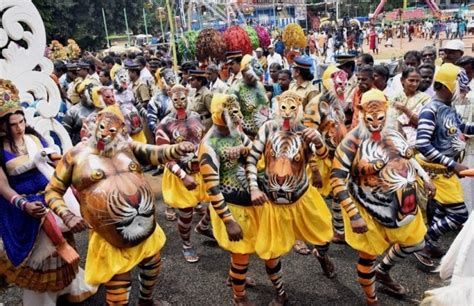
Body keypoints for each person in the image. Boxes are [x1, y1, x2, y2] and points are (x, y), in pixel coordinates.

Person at [46, 104, 194, 306]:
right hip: (110, 232)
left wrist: (176, 149)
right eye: (102, 128)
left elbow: (156, 152)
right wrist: (66, 214)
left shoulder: (126, 146)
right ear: (93, 125)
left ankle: (146, 301)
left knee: (152, 266)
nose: (106, 135)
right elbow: (52, 191)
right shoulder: (74, 156)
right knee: (118, 285)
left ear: (121, 130)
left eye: (112, 131)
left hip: (145, 223)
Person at [331, 88, 436, 305]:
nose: (376, 123)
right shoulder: (351, 142)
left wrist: (425, 177)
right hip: (369, 209)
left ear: (387, 111)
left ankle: (384, 270)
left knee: (415, 243)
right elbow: (336, 180)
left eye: (380, 117)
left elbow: (408, 157)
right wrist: (352, 215)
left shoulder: (395, 132)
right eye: (370, 118)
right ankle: (372, 300)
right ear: (360, 113)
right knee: (367, 257)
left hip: (404, 206)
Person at [0, 80, 96, 305]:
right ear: (2, 125)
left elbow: (57, 162)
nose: (19, 128)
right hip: (24, 208)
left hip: (52, 198)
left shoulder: (34, 138)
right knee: (41, 259)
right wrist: (23, 204)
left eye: (21, 121)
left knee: (65, 248)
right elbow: (2, 186)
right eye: (12, 124)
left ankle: (68, 288)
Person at [198, 94, 282, 306]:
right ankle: (239, 297)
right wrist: (228, 221)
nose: (238, 116)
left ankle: (236, 279)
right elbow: (212, 188)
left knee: (264, 249)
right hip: (233, 208)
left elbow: (255, 158)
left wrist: (246, 150)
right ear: (218, 114)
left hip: (253, 202)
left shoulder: (237, 134)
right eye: (232, 112)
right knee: (241, 255)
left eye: (238, 111)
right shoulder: (209, 145)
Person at [247, 91, 336, 288]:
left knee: (324, 237)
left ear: (299, 108)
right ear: (277, 106)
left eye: (292, 108)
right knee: (270, 253)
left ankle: (321, 255)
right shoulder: (268, 128)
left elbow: (324, 157)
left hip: (302, 198)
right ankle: (280, 292)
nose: (287, 113)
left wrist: (319, 141)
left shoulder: (306, 131)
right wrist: (254, 188)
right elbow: (252, 159)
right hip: (272, 203)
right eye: (283, 107)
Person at [414, 64, 474, 264]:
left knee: (442, 210)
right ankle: (425, 241)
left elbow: (461, 126)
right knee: (459, 214)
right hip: (437, 174)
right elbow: (422, 143)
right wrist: (452, 164)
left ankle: (428, 243)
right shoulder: (430, 110)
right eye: (458, 88)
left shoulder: (448, 108)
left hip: (447, 173)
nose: (463, 93)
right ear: (443, 86)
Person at [155, 85, 211, 263]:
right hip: (180, 174)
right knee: (186, 213)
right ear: (170, 99)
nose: (180, 102)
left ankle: (202, 227)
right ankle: (186, 244)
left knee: (214, 203)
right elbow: (164, 156)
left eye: (183, 98)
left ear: (188, 97)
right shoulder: (164, 124)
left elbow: (201, 142)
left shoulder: (195, 116)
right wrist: (182, 175)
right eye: (176, 99)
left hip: (200, 171)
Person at [303, 65, 348, 245]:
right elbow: (307, 139)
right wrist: (314, 170)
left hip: (337, 158)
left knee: (339, 194)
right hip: (320, 161)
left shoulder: (336, 103)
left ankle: (339, 231)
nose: (342, 87)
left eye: (344, 82)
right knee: (314, 197)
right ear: (328, 82)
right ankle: (309, 232)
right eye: (337, 82)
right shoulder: (315, 105)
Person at [228, 55, 270, 138]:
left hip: (265, 135)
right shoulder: (236, 90)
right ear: (244, 72)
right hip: (247, 138)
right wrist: (244, 137)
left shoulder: (260, 85)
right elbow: (232, 119)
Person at [391, 67, 431, 146]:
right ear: (402, 80)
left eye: (417, 81)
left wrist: (404, 109)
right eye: (411, 80)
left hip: (416, 140)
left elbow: (423, 122)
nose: (415, 84)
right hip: (394, 138)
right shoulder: (394, 97)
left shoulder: (425, 98)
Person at [350, 65, 375, 129]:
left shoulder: (376, 96)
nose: (360, 82)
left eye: (364, 79)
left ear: (372, 80)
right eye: (358, 79)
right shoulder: (357, 91)